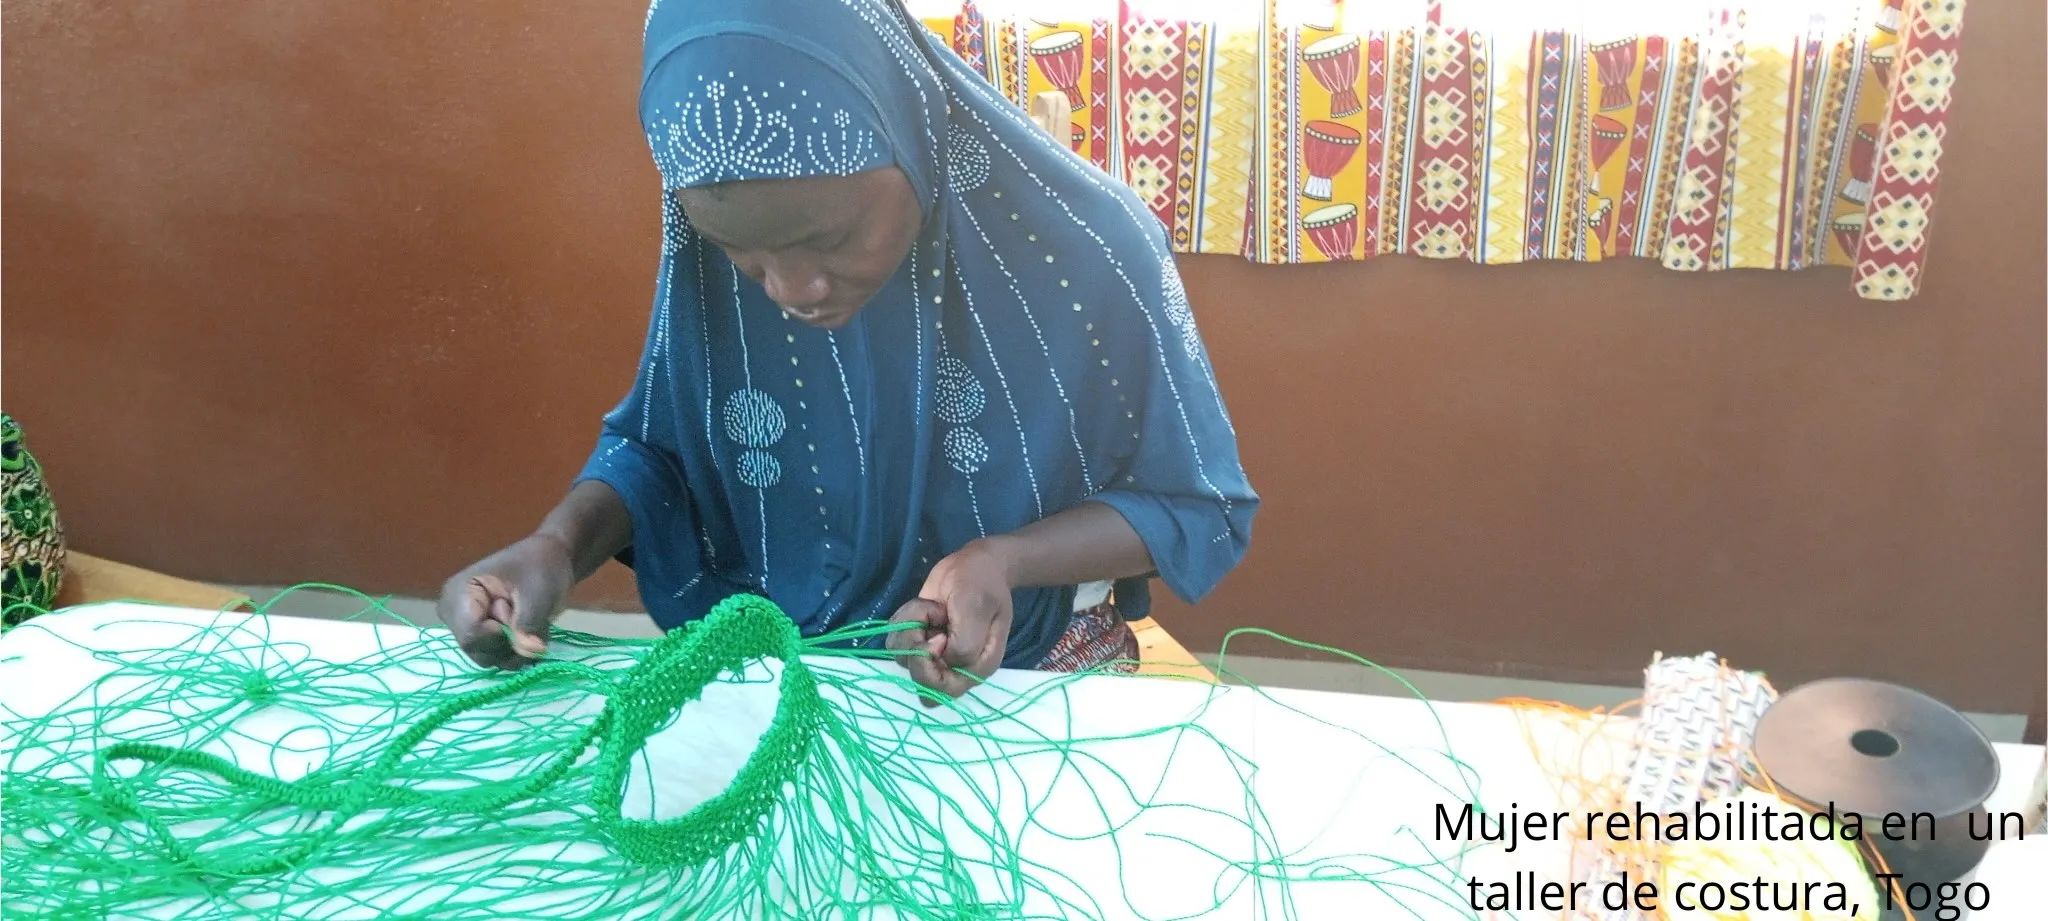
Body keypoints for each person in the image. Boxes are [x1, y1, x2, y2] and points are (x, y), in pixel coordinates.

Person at [436, 0, 1256, 699]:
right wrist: (557, 545)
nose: (793, 290)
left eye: (830, 238)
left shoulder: (1087, 253)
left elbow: (1195, 501)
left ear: (905, 126)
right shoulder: (715, 264)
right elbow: (661, 452)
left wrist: (1000, 559)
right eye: (744, 257)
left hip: (1020, 670)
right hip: (785, 673)